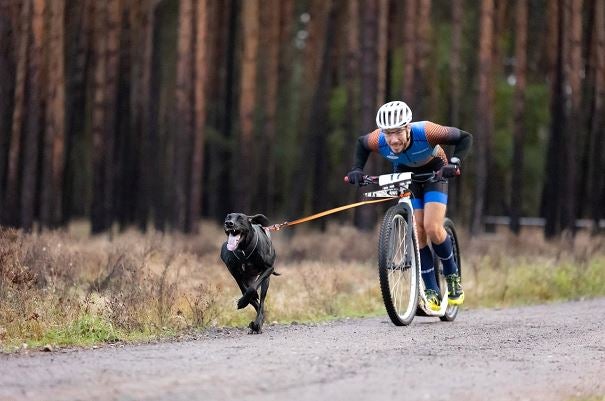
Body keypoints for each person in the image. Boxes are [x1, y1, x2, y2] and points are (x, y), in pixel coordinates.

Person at [346, 101, 472, 311]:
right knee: (417, 229)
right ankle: (431, 288)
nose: (393, 139)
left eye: (398, 132)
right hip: (406, 174)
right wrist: (357, 169)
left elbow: (465, 137)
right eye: (388, 133)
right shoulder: (379, 139)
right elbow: (361, 143)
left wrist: (455, 162)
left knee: (432, 227)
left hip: (435, 171)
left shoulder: (426, 131)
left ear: (408, 127)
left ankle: (452, 276)